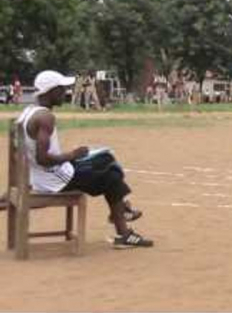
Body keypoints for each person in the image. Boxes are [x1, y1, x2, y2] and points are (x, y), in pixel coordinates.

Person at [15, 70, 153, 248]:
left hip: (44, 175)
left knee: (105, 158)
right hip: (56, 180)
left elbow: (27, 154)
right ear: (51, 91)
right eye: (62, 89)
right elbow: (42, 159)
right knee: (112, 176)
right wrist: (72, 155)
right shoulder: (45, 118)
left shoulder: (28, 112)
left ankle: (121, 211)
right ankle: (123, 231)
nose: (65, 92)